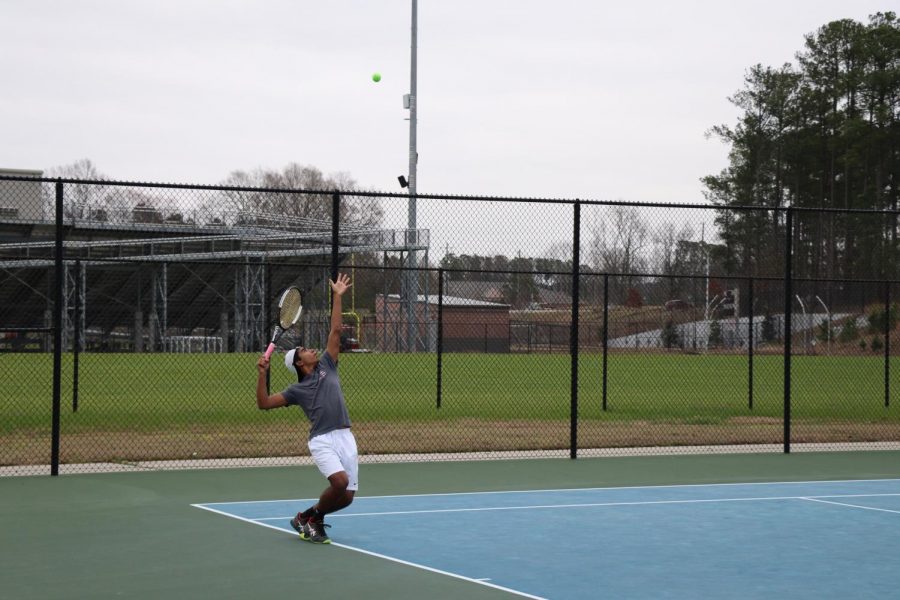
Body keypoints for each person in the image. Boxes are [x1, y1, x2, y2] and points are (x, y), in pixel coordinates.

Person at [255, 272, 357, 544]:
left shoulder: (327, 365)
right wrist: (262, 373)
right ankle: (312, 520)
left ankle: (309, 516)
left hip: (346, 436)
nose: (312, 349)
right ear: (300, 363)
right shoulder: (296, 391)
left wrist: (337, 296)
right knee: (340, 483)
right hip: (322, 440)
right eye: (305, 350)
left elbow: (336, 331)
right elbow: (264, 404)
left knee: (347, 498)